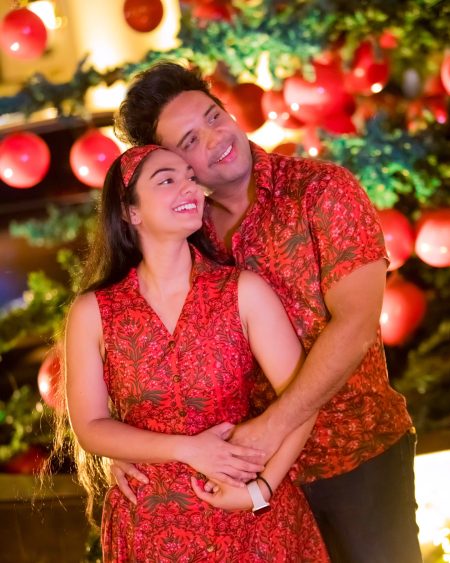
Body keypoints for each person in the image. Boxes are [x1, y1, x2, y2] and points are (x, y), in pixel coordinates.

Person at [110, 61, 423, 562]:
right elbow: (142, 342)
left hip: (358, 457)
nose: (215, 138)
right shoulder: (184, 234)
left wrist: (273, 427)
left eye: (214, 117)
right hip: (246, 480)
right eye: (189, 141)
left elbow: (357, 326)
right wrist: (122, 446)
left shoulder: (322, 191)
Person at [64, 143, 329, 562]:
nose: (189, 187)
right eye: (167, 180)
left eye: (190, 177)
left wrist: (260, 491)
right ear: (130, 212)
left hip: (253, 525)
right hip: (150, 531)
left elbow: (303, 399)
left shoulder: (243, 291)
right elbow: (90, 427)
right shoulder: (92, 312)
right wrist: (188, 449)